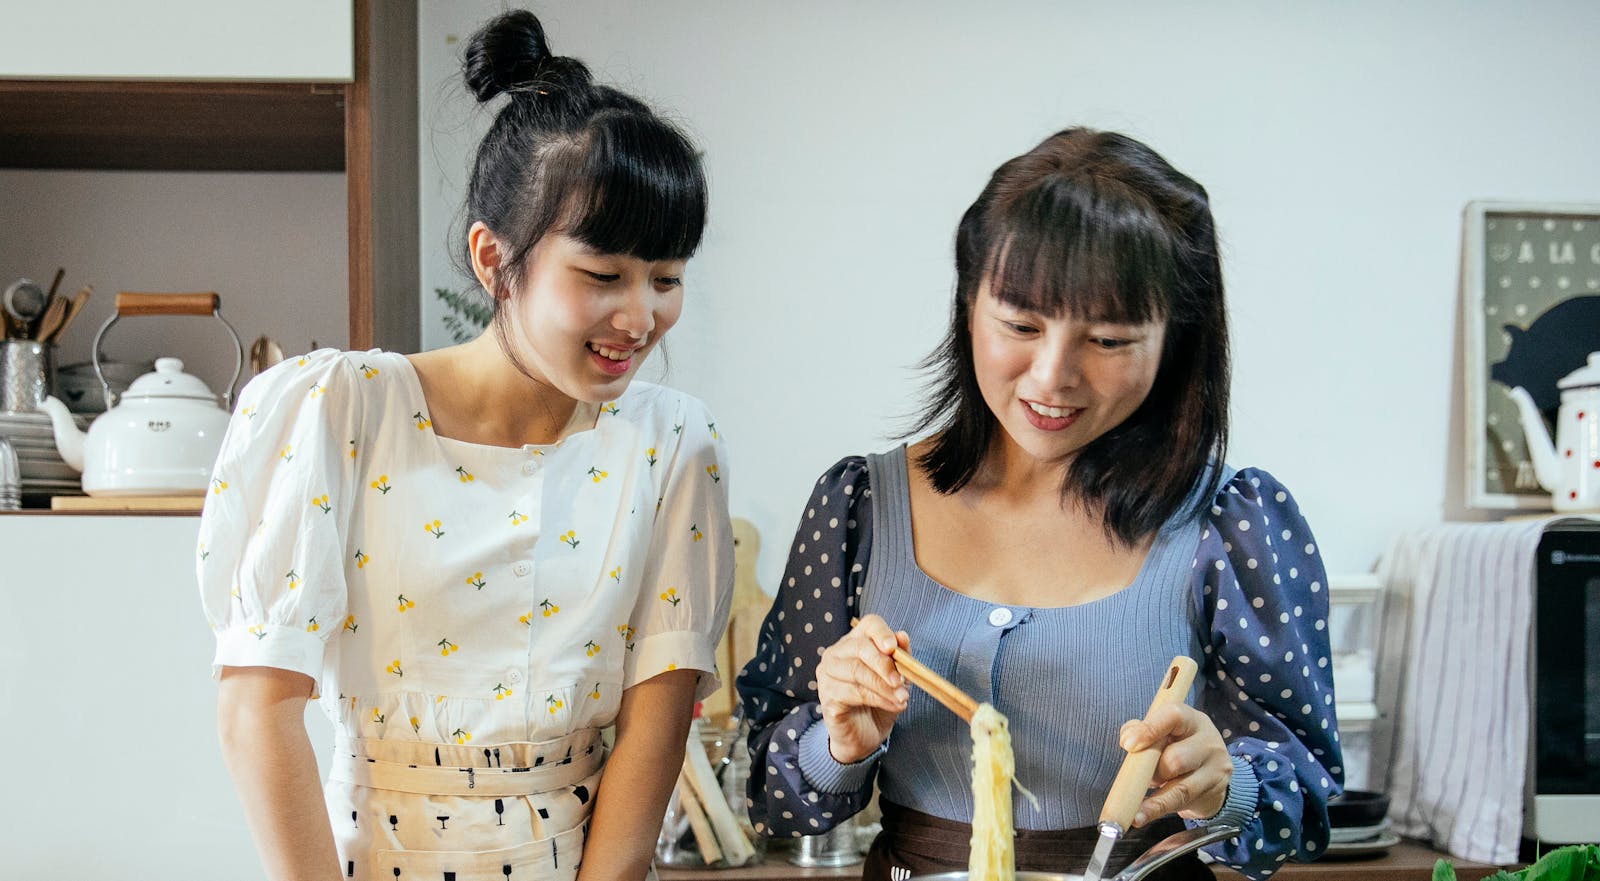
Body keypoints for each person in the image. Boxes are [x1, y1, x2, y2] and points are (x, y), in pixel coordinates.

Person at [197, 11, 731, 880]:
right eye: (604, 276)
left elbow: (657, 721)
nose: (641, 318)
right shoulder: (343, 411)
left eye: (665, 278)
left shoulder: (671, 443)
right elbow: (255, 708)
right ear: (494, 259)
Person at [738, 128, 1342, 881]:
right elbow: (769, 795)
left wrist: (1223, 788)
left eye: (1110, 340)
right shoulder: (860, 506)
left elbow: (1308, 807)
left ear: (1175, 340)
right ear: (967, 306)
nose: (1053, 376)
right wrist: (838, 746)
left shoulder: (1233, 521)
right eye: (1020, 325)